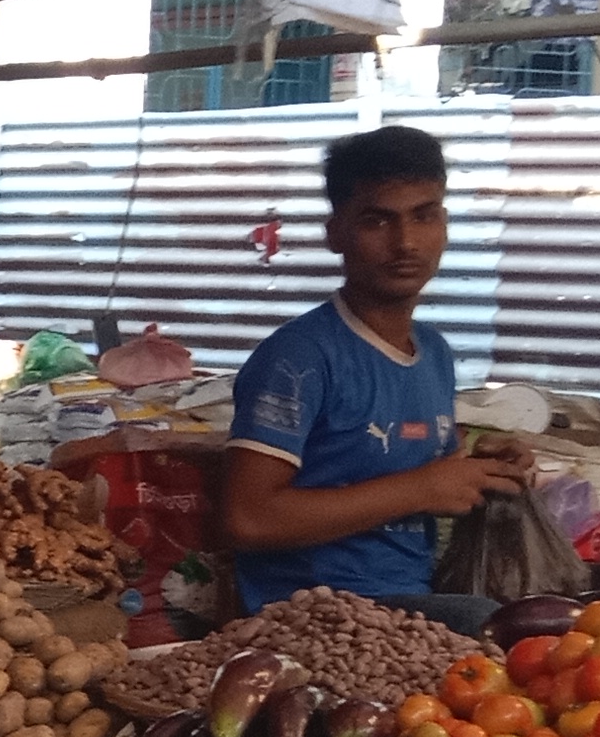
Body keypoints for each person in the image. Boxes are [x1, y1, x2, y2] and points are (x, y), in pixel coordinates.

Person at [216, 125, 525, 629]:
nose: (405, 242)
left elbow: (420, 470)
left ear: (444, 225)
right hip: (313, 618)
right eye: (378, 221)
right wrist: (421, 489)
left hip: (408, 607)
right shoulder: (298, 358)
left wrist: (488, 470)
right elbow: (247, 519)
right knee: (496, 626)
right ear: (335, 233)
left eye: (423, 216)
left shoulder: (434, 353)